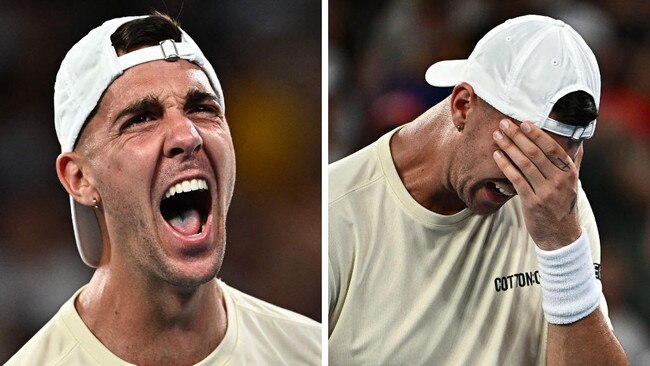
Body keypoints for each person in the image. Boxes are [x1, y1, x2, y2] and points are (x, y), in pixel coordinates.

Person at [7, 13, 321, 365]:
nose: (188, 135)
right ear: (79, 178)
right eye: (141, 118)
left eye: (202, 108)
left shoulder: (312, 352)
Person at [329, 15, 628, 365]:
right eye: (519, 151)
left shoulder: (555, 202)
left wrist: (561, 246)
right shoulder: (337, 213)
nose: (526, 180)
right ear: (462, 106)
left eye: (549, 161)